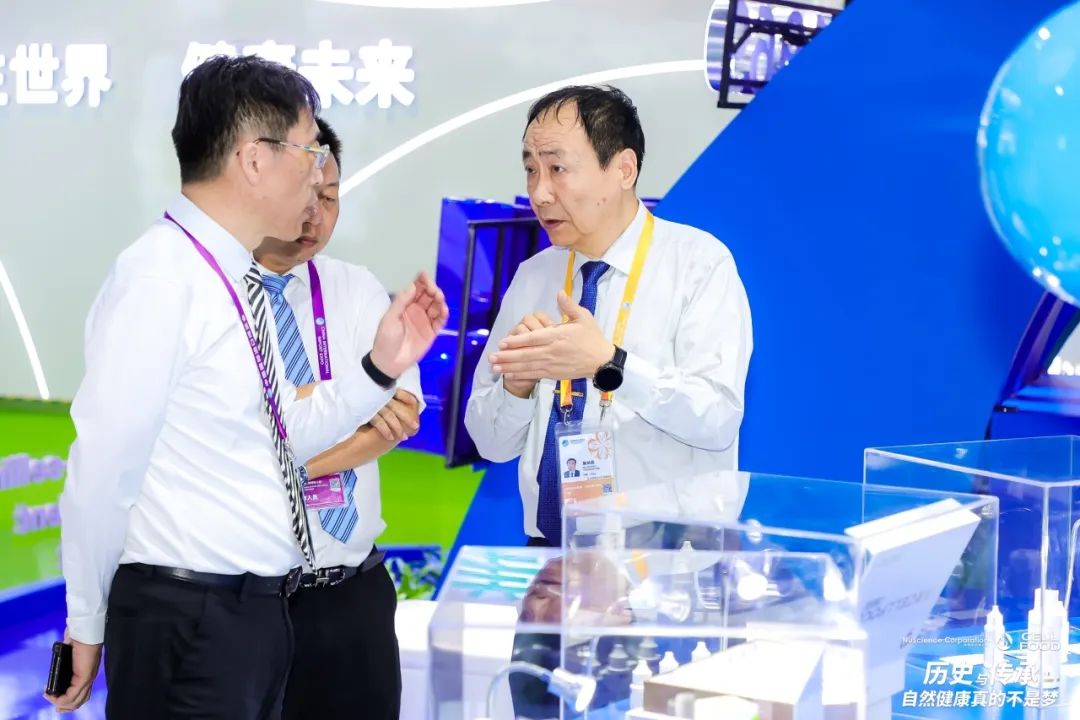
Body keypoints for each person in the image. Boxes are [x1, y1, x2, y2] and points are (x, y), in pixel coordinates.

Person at [49, 56, 448, 719]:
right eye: (308, 151)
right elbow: (103, 470)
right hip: (190, 617)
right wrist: (86, 620)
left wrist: (380, 367)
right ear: (254, 159)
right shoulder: (161, 278)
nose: (318, 174)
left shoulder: (228, 276)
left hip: (251, 616)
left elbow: (274, 436)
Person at [464, 85, 752, 548]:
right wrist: (516, 386)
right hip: (551, 553)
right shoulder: (534, 276)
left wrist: (610, 364)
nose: (539, 193)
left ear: (623, 169)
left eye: (558, 169)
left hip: (664, 556)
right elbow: (490, 444)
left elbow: (717, 418)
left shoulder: (698, 264)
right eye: (531, 169)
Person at [252, 116, 419, 720]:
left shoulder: (354, 288)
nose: (317, 215)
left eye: (330, 198)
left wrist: (286, 461)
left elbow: (401, 412)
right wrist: (354, 418)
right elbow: (237, 436)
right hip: (253, 602)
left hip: (353, 595)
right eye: (306, 195)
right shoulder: (218, 297)